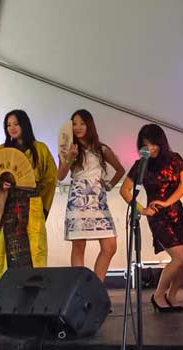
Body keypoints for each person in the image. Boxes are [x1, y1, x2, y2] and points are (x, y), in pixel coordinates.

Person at [0, 109, 57, 298]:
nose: (12, 128)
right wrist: (0, 185)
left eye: (16, 123)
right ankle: (1, 300)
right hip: (9, 209)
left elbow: (50, 178)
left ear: (24, 124)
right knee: (3, 251)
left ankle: (37, 299)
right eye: (8, 125)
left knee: (35, 250)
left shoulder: (40, 149)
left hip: (32, 207)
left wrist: (41, 202)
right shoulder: (1, 152)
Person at [120, 124, 183, 313]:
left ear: (161, 142)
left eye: (154, 144)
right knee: (180, 257)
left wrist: (167, 202)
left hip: (177, 212)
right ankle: (158, 295)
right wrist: (142, 210)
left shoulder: (175, 159)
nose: (150, 148)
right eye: (145, 145)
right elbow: (125, 190)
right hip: (157, 217)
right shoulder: (141, 165)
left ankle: (172, 295)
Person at [58, 109, 125, 281]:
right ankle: (81, 291)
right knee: (79, 245)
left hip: (98, 200)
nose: (78, 127)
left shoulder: (101, 149)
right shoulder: (67, 148)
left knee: (110, 246)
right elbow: (60, 175)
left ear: (89, 125)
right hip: (78, 198)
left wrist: (109, 185)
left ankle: (96, 287)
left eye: (82, 123)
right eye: (74, 123)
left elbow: (120, 170)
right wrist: (71, 158)